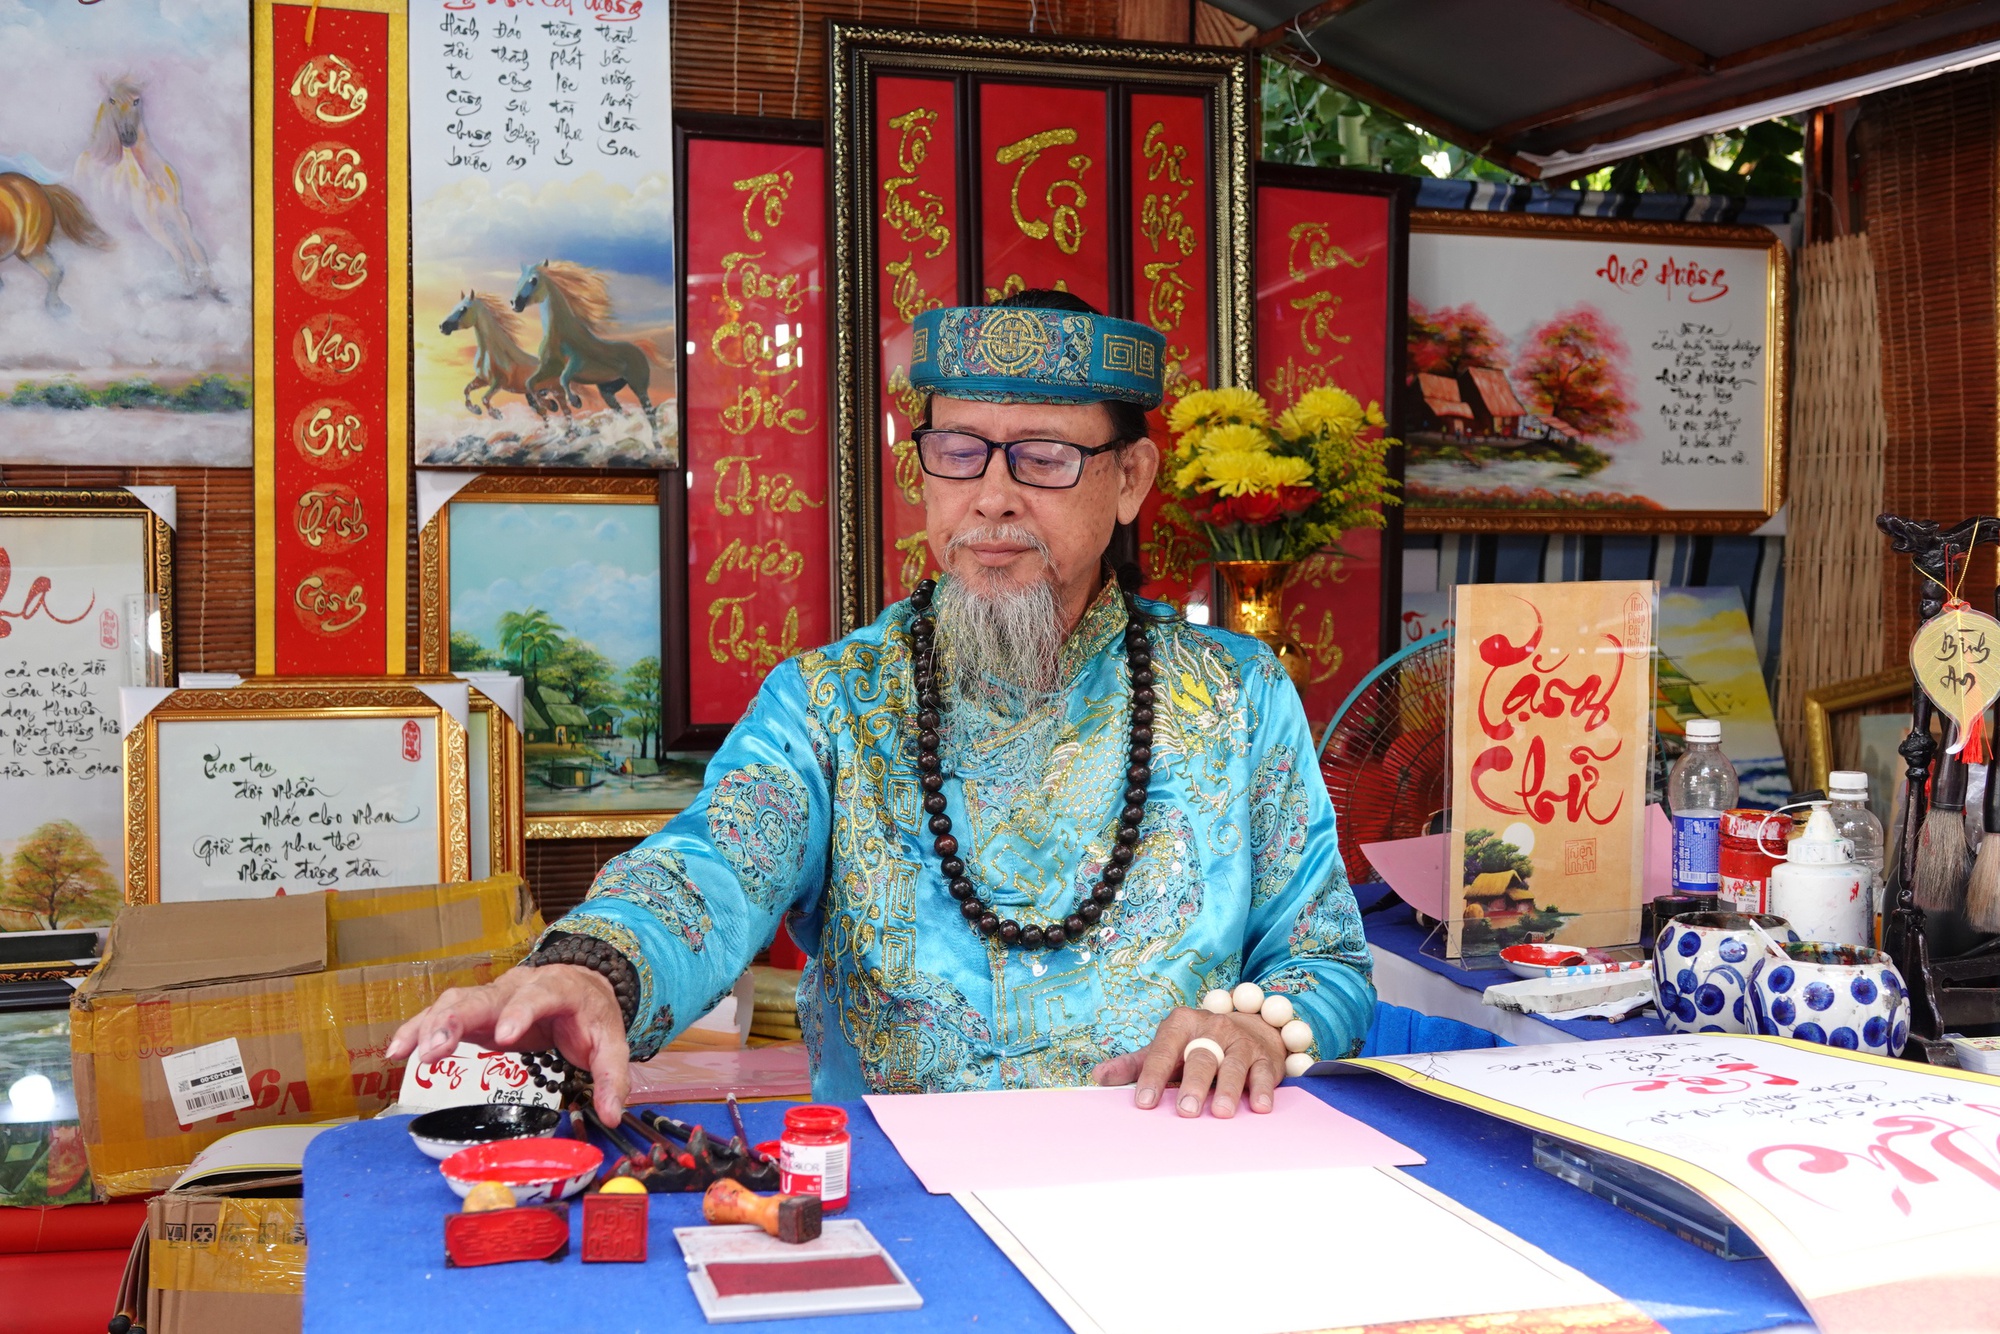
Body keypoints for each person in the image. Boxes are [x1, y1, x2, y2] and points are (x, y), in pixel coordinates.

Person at [387, 291, 1375, 1123]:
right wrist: (596, 968)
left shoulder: (1236, 698)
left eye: (1039, 456)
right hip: (903, 1204)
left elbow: (1323, 955)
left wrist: (1261, 1023)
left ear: (1128, 479)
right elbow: (716, 861)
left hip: (1166, 1187)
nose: (989, 496)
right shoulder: (829, 706)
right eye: (957, 450)